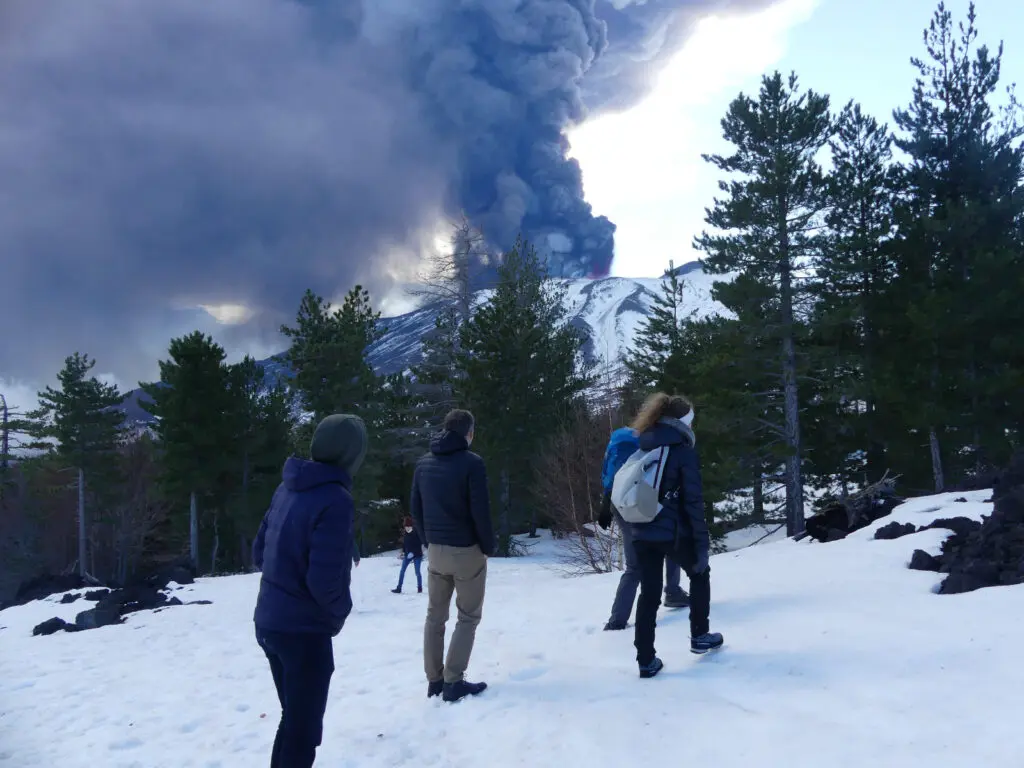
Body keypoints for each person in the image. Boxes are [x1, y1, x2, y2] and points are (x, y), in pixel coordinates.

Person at [252, 414, 368, 767]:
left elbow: (259, 553)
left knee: (294, 721)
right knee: (303, 735)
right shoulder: (335, 499)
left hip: (269, 623)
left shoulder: (288, 486)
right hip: (303, 633)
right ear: (352, 455)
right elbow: (325, 581)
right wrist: (337, 614)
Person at [627, 393, 723, 679]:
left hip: (642, 527)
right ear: (683, 422)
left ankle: (646, 660)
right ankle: (700, 635)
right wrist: (701, 543)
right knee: (699, 573)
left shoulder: (644, 443)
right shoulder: (682, 451)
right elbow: (693, 502)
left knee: (650, 593)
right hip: (673, 530)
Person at [410, 408, 494, 703]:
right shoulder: (472, 463)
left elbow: (415, 508)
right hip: (466, 549)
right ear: (468, 432)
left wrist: (426, 540)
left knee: (435, 616)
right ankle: (453, 681)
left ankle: (434, 679)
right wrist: (488, 546)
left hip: (435, 550)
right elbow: (479, 511)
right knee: (468, 617)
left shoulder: (424, 463)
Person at [598, 426, 689, 632]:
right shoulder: (656, 441)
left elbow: (608, 471)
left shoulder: (619, 438)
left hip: (617, 500)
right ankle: (673, 592)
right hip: (641, 500)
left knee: (635, 565)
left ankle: (617, 621)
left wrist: (606, 501)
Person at [392, 516, 424, 594]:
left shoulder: (416, 533)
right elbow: (405, 544)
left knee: (417, 572)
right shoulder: (406, 534)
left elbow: (418, 545)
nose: (407, 528)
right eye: (406, 527)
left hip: (417, 555)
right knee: (402, 571)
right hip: (407, 555)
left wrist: (413, 553)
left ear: (411, 526)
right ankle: (399, 588)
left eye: (408, 527)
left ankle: (419, 588)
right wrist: (403, 552)